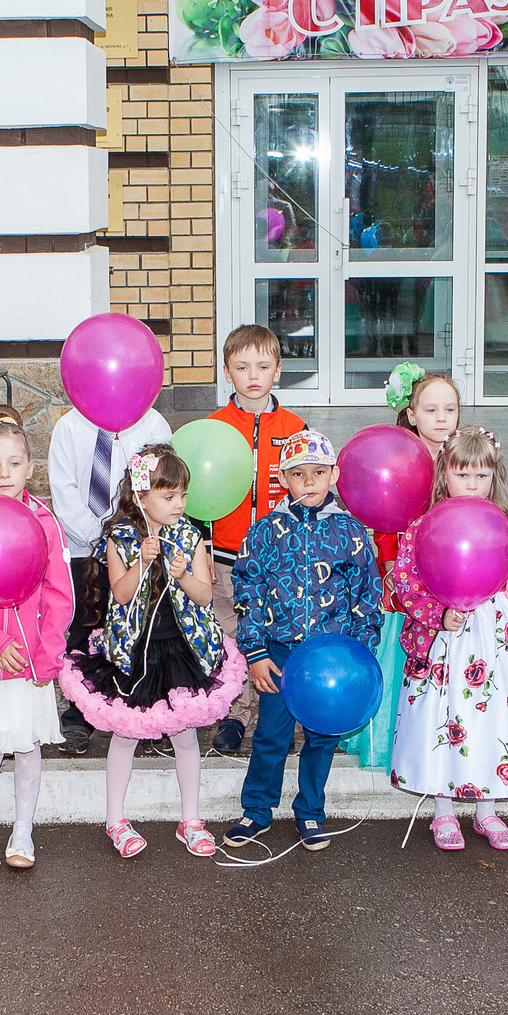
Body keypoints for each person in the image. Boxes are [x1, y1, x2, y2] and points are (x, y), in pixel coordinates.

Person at [58, 444, 247, 858]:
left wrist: (181, 575)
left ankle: (191, 820)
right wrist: (142, 564)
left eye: (182, 494)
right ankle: (115, 820)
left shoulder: (191, 537)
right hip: (133, 652)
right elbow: (121, 596)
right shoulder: (121, 540)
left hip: (181, 651)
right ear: (141, 497)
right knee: (124, 737)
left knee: (185, 738)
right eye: (168, 496)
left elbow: (202, 598)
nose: (179, 503)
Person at [385, 427, 508, 852]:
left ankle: (487, 809)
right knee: (445, 717)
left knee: (493, 717)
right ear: (445, 475)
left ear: (495, 476)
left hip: (498, 638)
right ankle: (442, 811)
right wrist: (437, 615)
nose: (472, 485)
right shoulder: (424, 525)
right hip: (447, 637)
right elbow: (406, 580)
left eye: (482, 476)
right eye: (463, 475)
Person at [224, 429, 380, 852]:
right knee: (270, 735)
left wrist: (360, 654)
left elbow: (368, 594)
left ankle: (310, 812)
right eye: (298, 474)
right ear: (283, 479)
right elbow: (248, 590)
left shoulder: (351, 533)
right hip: (279, 654)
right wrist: (255, 652)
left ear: (333, 474)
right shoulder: (265, 532)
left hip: (332, 659)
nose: (309, 481)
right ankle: (256, 810)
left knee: (321, 739)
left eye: (318, 472)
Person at [0, 410, 74, 874]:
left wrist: (48, 656)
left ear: (30, 466)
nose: (5, 474)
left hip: (30, 661)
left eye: (15, 463)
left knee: (26, 746)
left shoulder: (46, 522)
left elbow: (60, 594)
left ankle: (22, 831)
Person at [342, 362, 461, 774]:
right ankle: (388, 734)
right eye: (430, 410)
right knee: (398, 647)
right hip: (403, 574)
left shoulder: (463, 456)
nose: (441, 418)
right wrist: (393, 565)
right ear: (411, 414)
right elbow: (387, 515)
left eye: (450, 409)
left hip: (451, 573)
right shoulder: (398, 454)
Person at [47, 390, 173, 753]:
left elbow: (159, 486)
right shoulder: (70, 427)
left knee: (141, 628)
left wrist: (124, 540)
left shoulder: (152, 423)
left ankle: (142, 711)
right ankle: (80, 714)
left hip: (139, 549)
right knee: (86, 628)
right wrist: (100, 539)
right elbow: (65, 491)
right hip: (85, 548)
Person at [204, 324, 308, 756]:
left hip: (277, 558)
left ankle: (275, 715)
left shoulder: (294, 426)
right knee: (232, 636)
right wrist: (200, 551)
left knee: (271, 632)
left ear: (278, 371)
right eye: (242, 367)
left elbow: (307, 489)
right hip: (225, 556)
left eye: (263, 366)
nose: (253, 375)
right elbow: (193, 497)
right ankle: (234, 714)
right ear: (227, 372)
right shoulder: (213, 426)